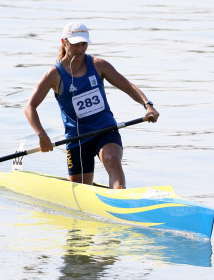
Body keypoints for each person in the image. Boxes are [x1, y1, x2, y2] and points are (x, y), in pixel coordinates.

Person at [25, 22, 159, 189]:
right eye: (75, 44)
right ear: (64, 42)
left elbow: (127, 86)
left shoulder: (98, 65)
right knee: (80, 189)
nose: (80, 49)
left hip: (105, 130)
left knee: (112, 160)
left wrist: (148, 105)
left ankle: (120, 197)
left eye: (84, 44)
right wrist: (42, 135)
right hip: (77, 139)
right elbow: (30, 106)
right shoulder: (54, 75)